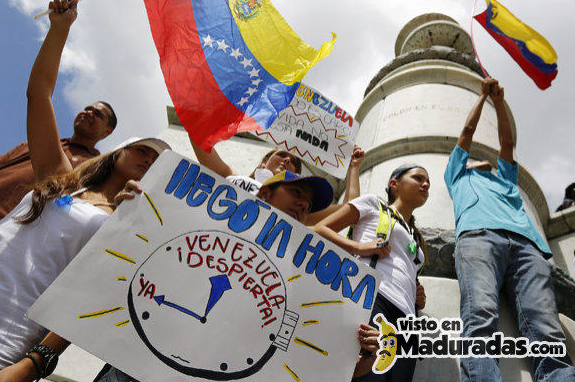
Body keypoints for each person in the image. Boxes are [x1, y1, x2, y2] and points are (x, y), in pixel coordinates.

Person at [0, 0, 170, 382]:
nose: (148, 159)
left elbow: (90, 297)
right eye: (143, 149)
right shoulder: (58, 177)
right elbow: (39, 95)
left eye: (157, 161)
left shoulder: (135, 222)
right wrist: (60, 30)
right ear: (118, 151)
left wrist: (36, 362)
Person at [93, 170, 379, 382]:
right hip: (132, 370)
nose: (304, 205)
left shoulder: (305, 278)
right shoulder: (196, 219)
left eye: (309, 204)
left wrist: (358, 359)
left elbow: (315, 360)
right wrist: (131, 211)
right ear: (265, 193)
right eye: (297, 193)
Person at [444, 77, 575, 382]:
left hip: (528, 247)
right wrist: (481, 98)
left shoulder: (505, 179)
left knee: (546, 328)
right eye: (475, 159)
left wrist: (499, 102)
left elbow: (507, 144)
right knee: (480, 317)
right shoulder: (457, 175)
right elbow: (466, 132)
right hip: (479, 238)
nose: (483, 160)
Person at [314, 163, 430, 381]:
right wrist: (358, 247)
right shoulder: (373, 204)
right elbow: (321, 229)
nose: (425, 185)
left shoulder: (415, 236)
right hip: (374, 298)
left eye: (428, 183)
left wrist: (418, 297)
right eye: (418, 178)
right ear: (394, 184)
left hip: (406, 322)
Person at [0, 90, 117, 244]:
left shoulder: (94, 168)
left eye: (97, 114)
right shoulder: (38, 141)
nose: (88, 113)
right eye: (87, 108)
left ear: (107, 131)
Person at [190, 135, 365, 225]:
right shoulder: (235, 179)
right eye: (282, 154)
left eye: (294, 163)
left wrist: (354, 167)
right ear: (265, 162)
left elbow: (351, 208)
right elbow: (202, 146)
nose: (288, 159)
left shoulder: (298, 208)